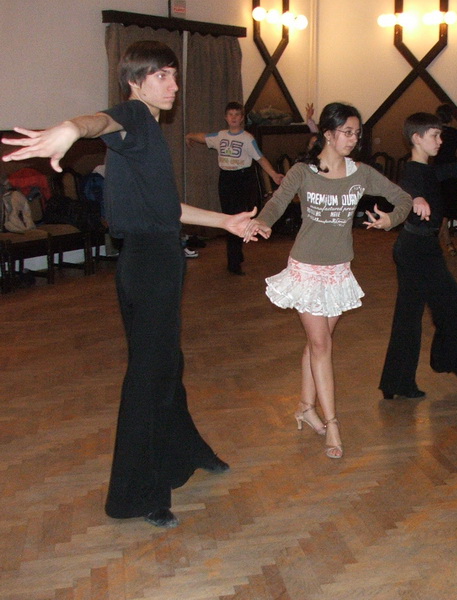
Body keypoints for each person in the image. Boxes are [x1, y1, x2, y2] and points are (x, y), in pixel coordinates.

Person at [2, 40, 267, 528]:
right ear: (134, 81)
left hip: (155, 259)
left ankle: (186, 449)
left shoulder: (145, 137)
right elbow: (100, 121)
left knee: (167, 364)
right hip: (149, 265)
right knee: (148, 376)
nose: (173, 85)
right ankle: (136, 494)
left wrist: (225, 222)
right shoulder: (136, 117)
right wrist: (70, 128)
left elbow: (167, 208)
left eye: (174, 75)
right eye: (161, 75)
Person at [243, 102, 416, 459]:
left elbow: (403, 198)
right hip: (306, 268)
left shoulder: (360, 174)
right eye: (347, 132)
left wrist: (391, 220)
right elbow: (277, 202)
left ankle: (305, 407)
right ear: (327, 133)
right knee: (321, 345)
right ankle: (332, 422)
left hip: (339, 271)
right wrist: (262, 222)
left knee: (316, 343)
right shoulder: (303, 172)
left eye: (357, 133)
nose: (353, 139)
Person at [379, 112, 457, 400]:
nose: (440, 140)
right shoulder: (411, 171)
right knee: (412, 315)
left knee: (451, 306)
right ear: (417, 138)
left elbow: (439, 173)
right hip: (414, 249)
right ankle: (399, 383)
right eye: (434, 135)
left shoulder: (427, 169)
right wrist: (416, 199)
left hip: (424, 248)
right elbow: (408, 187)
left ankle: (447, 364)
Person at [185, 101, 283, 275]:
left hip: (242, 179)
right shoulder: (221, 135)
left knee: (238, 216)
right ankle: (235, 257)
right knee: (229, 216)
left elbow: (260, 158)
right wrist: (190, 136)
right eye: (230, 114)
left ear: (242, 118)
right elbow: (204, 137)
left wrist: (274, 174)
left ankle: (234, 260)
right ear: (226, 117)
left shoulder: (247, 138)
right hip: (226, 179)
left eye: (237, 115)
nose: (234, 118)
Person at [433, 104, 457, 257]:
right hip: (452, 172)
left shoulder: (434, 133)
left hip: (437, 172)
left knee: (440, 209)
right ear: (451, 118)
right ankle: (444, 243)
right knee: (446, 210)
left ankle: (444, 243)